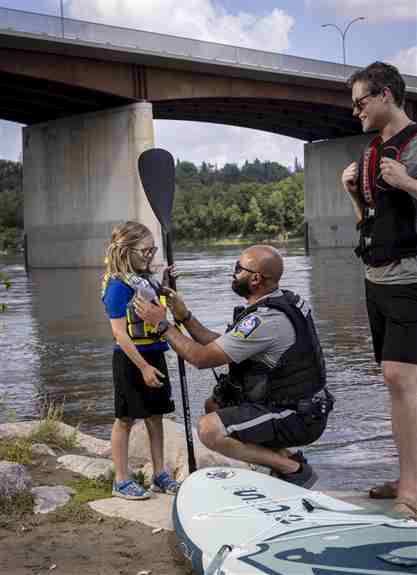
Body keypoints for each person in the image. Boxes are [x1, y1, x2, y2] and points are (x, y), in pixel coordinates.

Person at [135, 245, 333, 488]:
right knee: (215, 405)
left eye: (239, 268)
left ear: (255, 279)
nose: (233, 272)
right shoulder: (278, 302)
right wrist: (185, 317)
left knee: (209, 429)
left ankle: (293, 470)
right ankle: (286, 459)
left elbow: (201, 358)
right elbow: (220, 346)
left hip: (297, 415)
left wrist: (162, 325)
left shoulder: (265, 320)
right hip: (297, 406)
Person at [341, 62, 417, 519]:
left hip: (411, 278)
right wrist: (355, 194)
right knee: (397, 384)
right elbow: (371, 222)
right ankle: (409, 475)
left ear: (385, 94)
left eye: (361, 102)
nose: (356, 112)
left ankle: (412, 489)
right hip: (377, 279)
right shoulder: (372, 151)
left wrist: (407, 181)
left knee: (400, 378)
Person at [101, 221, 179, 499]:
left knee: (156, 416)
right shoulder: (117, 286)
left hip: (154, 353)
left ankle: (159, 475)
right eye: (145, 251)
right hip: (130, 360)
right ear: (126, 251)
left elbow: (154, 305)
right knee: (125, 419)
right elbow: (119, 334)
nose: (150, 255)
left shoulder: (145, 280)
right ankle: (121, 480)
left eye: (152, 250)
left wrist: (166, 284)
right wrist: (143, 367)